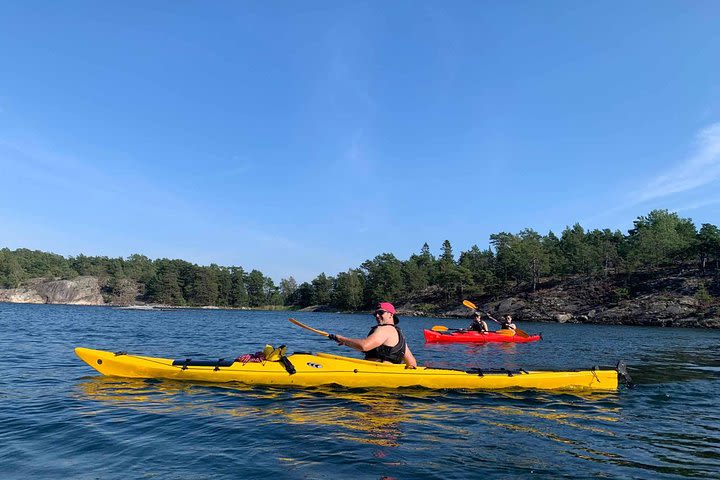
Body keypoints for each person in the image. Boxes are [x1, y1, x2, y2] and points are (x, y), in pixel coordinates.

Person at [328, 302, 417, 369]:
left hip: (375, 372)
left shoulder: (385, 329)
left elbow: (364, 346)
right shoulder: (398, 334)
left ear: (390, 314)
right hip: (386, 375)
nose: (377, 316)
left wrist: (343, 339)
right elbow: (412, 363)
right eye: (375, 314)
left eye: (381, 312)